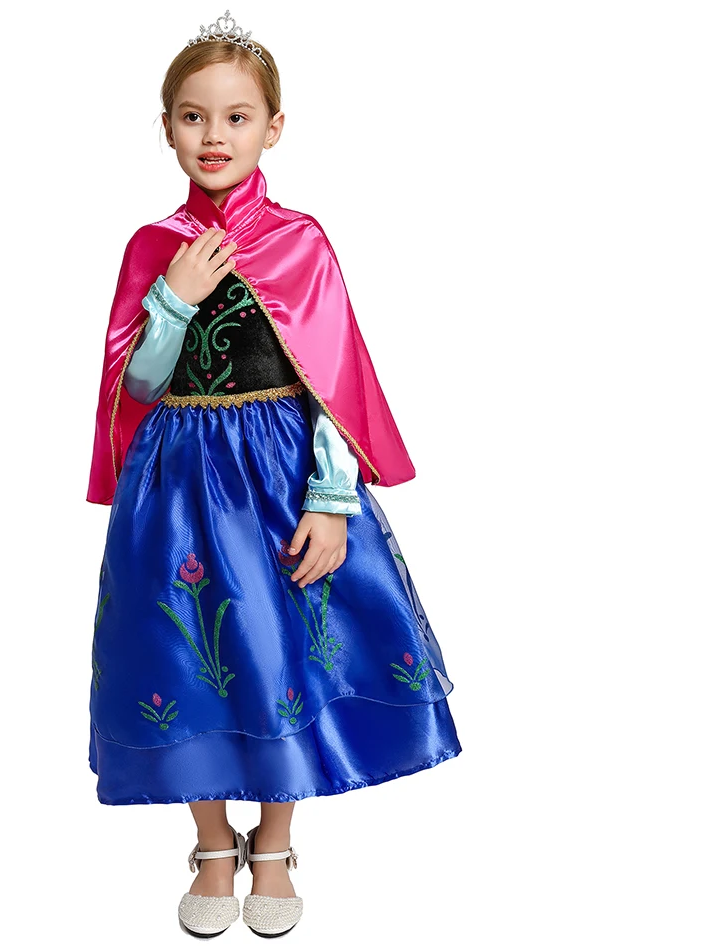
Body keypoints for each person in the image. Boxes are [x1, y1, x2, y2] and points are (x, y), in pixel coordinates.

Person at [85, 10, 462, 939]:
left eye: (237, 117)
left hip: (279, 478)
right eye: (193, 116)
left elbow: (334, 380)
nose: (214, 136)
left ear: (274, 127)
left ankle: (277, 841)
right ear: (167, 127)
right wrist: (175, 297)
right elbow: (138, 384)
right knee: (184, 649)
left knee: (280, 646)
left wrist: (331, 501)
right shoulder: (153, 246)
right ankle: (213, 840)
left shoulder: (301, 241)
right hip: (177, 484)